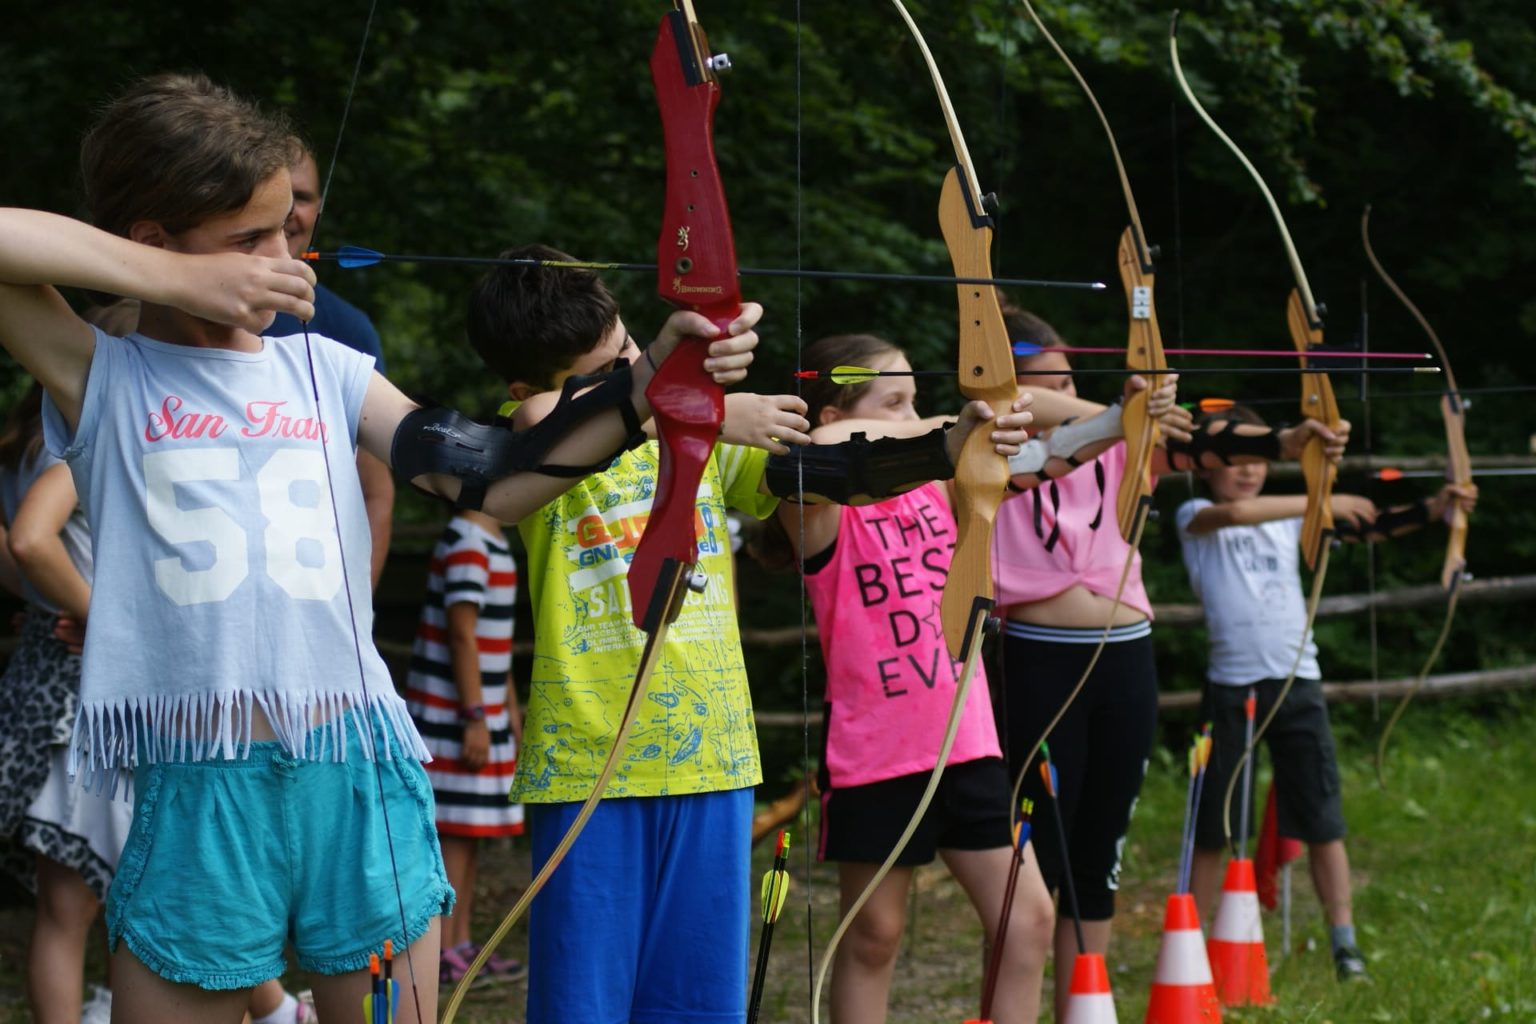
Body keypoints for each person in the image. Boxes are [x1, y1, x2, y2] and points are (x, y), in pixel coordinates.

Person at [0, 72, 758, 1024]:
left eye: (289, 231)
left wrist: (644, 391)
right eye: (249, 240)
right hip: (197, 783)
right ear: (151, 242)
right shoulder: (101, 372)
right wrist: (175, 282)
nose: (284, 257)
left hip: (355, 768)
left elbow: (490, 474)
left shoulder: (328, 367)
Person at [465, 244, 1034, 1024]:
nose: (638, 369)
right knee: (584, 1004)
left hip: (713, 757)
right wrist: (667, 402)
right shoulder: (532, 442)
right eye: (605, 369)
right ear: (527, 387)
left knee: (698, 1000)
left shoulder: (703, 439)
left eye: (633, 350)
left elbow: (824, 472)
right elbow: (534, 439)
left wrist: (940, 447)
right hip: (587, 765)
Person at [997, 307, 1346, 1018]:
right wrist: (1118, 411)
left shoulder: (1126, 445)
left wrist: (1284, 439)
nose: (1063, 386)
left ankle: (1081, 1010)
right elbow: (1020, 403)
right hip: (1037, 659)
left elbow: (1206, 448)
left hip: (1125, 661)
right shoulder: (989, 443)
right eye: (1046, 375)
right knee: (1035, 861)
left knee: (1099, 853)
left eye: (1071, 372)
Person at [1176, 402, 1476, 982]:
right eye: (1234, 460)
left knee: (1321, 815)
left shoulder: (1294, 519)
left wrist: (1438, 507)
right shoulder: (1195, 513)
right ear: (1208, 467)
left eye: (1253, 462)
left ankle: (1345, 943)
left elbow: (1371, 524)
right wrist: (1322, 500)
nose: (1246, 471)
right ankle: (1188, 945)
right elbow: (1234, 512)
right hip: (1229, 687)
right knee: (1212, 823)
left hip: (1296, 682)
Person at [0, 383, 131, 1024]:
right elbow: (30, 542)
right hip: (83, 695)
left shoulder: (20, 445)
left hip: (43, 682)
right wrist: (99, 614)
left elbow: (14, 554)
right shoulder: (76, 448)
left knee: (75, 903)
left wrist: (52, 598)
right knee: (76, 906)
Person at [404, 505, 527, 986]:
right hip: (454, 716)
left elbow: (495, 641)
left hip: (484, 714)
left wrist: (507, 714)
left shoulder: (490, 540)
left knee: (470, 837)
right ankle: (442, 950)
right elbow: (461, 634)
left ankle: (461, 944)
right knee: (451, 835)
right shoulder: (468, 542)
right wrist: (476, 715)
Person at [265, 139, 394, 588]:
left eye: (301, 197)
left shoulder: (348, 329)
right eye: (274, 194)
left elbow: (375, 492)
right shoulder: (175, 316)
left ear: (318, 209)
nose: (288, 213)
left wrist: (360, 608)